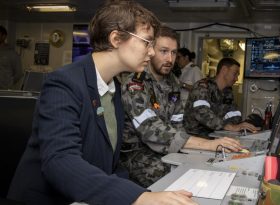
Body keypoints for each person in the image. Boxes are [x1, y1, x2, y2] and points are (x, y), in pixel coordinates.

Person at [7, 2, 197, 205]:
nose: (151, 53)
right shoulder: (64, 82)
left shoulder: (113, 87)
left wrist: (146, 192)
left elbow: (108, 165)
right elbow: (61, 161)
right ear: (115, 39)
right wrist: (139, 197)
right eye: (147, 42)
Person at [121, 26, 242, 187]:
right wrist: (206, 144)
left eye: (173, 53)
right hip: (137, 154)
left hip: (166, 148)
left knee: (203, 165)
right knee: (182, 180)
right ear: (150, 50)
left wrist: (194, 150)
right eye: (163, 51)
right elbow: (150, 130)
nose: (170, 59)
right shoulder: (136, 83)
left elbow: (178, 122)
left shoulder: (173, 82)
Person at [184, 57, 259, 136]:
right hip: (195, 136)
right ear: (224, 70)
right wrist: (228, 126)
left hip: (215, 134)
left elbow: (233, 113)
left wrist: (242, 126)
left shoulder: (227, 91)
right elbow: (202, 114)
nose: (236, 78)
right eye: (235, 73)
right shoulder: (203, 86)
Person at [0, 25, 23, 89]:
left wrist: (8, 83)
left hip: (4, 90)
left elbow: (19, 73)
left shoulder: (12, 54)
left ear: (4, 36)